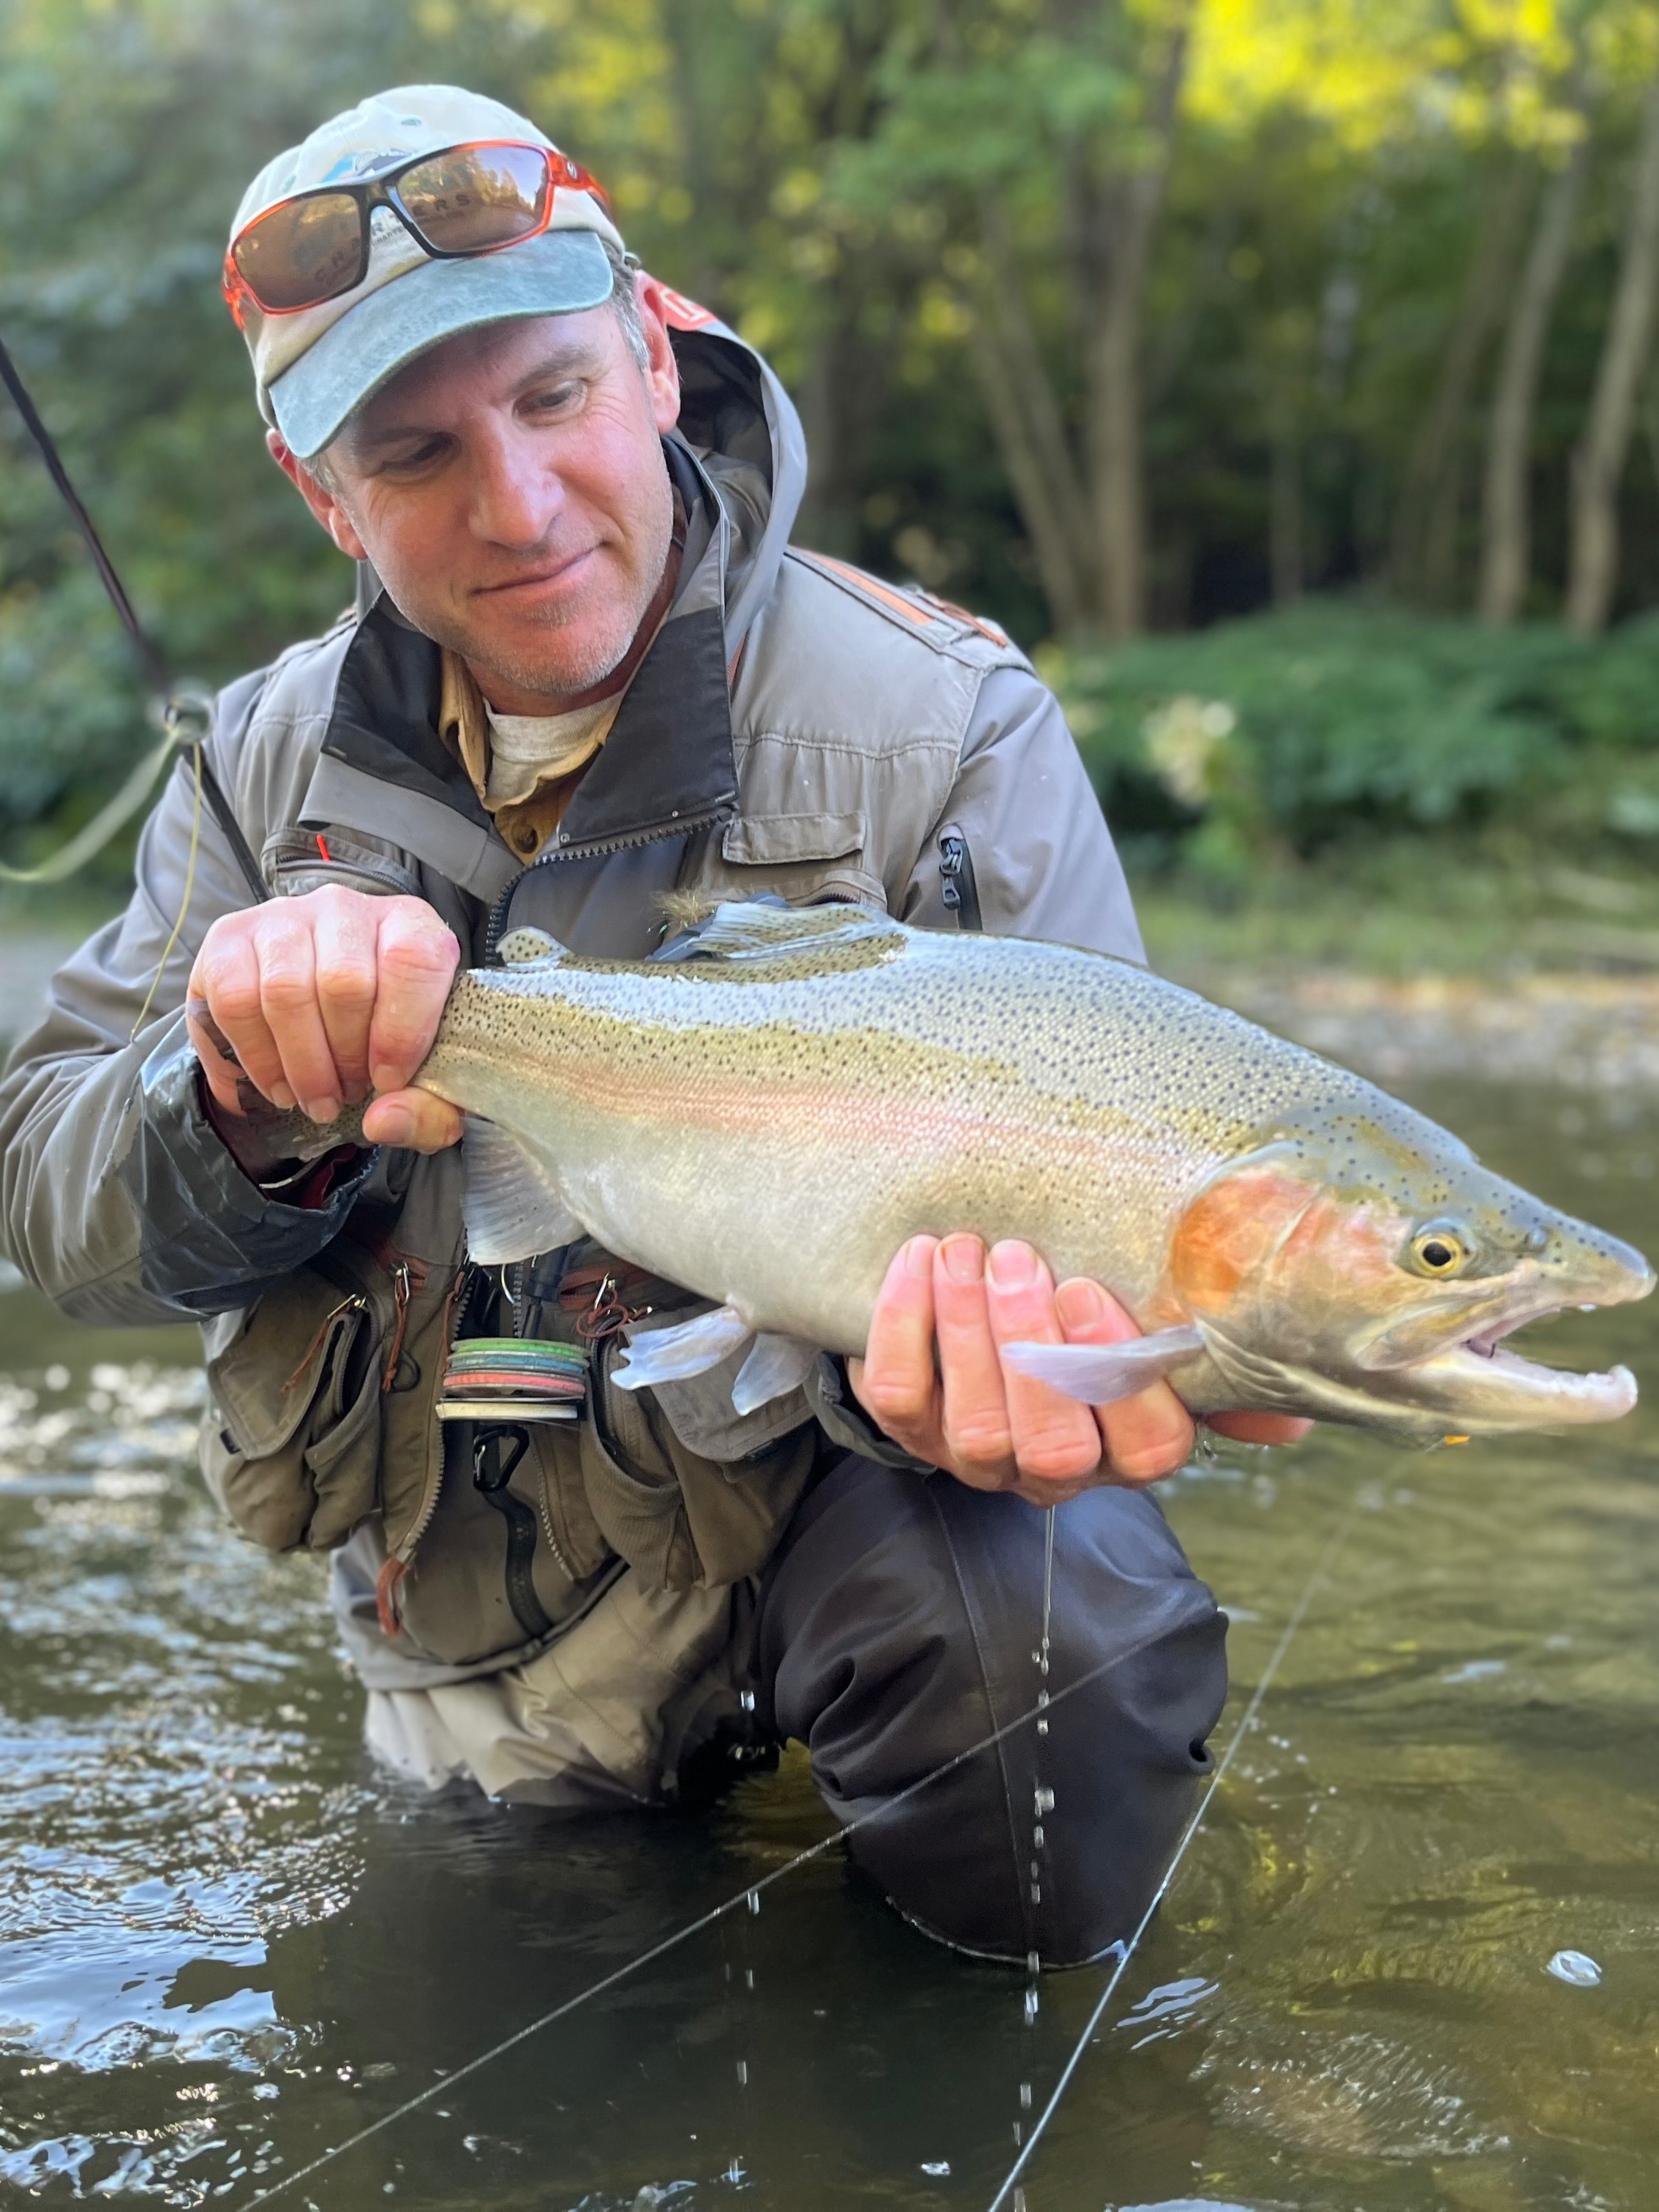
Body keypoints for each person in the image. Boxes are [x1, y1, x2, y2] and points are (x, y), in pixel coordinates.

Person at [0, 86, 1304, 1967]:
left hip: (850, 1531)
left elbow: (1134, 1184)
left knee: (1054, 1674)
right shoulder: (256, 765)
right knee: (490, 2000)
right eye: (417, 451)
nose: (518, 508)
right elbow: (43, 1199)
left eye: (551, 399)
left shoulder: (947, 722)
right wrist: (224, 1097)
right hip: (483, 1618)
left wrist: (1009, 1376)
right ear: (324, 494)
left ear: (654, 348)